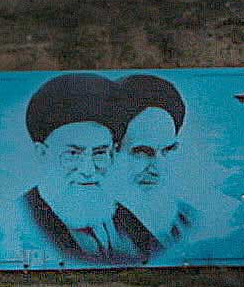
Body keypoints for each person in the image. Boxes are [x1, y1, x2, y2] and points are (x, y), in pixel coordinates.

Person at [14, 73, 141, 265]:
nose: (88, 170)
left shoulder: (128, 223)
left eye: (99, 153)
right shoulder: (20, 221)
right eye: (73, 153)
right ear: (43, 154)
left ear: (113, 154)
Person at [110, 74, 201, 260]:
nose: (157, 168)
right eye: (142, 152)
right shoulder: (88, 228)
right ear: (110, 150)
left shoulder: (186, 220)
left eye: (167, 150)